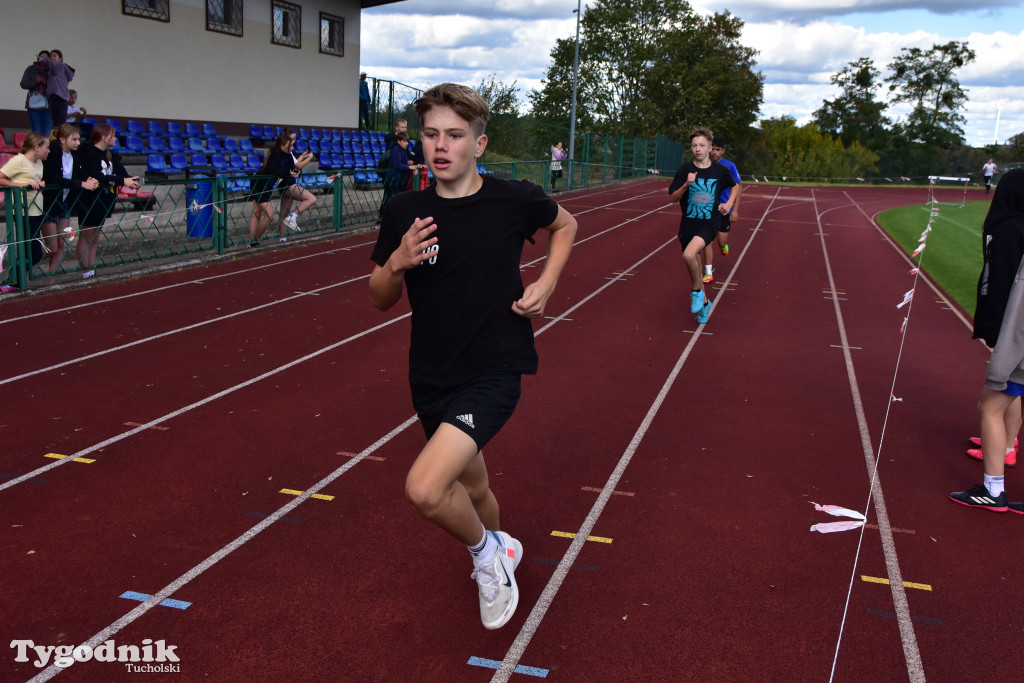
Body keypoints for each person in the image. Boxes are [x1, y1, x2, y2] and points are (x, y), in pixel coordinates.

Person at [369, 83, 577, 630]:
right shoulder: (404, 210)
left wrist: (548, 283)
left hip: (496, 367)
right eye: (431, 134)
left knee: (426, 488)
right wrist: (398, 260)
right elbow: (378, 297)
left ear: (479, 144)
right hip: (432, 375)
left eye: (454, 135)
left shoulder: (514, 199)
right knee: (473, 486)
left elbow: (566, 224)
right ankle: (503, 548)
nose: (441, 146)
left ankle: (487, 557)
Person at [950, 168, 1024, 514]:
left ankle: (993, 490)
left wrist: (993, 331)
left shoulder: (1009, 228)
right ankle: (1006, 448)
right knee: (1012, 393)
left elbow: (1002, 284)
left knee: (990, 405)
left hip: (1017, 331)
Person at [668, 127, 737, 324]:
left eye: (702, 145)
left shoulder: (720, 171)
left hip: (710, 222)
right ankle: (705, 304)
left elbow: (735, 186)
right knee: (695, 269)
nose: (698, 149)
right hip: (688, 223)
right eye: (694, 146)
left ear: (710, 148)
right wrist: (686, 185)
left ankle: (696, 292)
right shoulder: (685, 170)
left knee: (688, 255)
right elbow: (673, 198)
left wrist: (730, 203)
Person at [75, 124, 139, 279]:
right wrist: (123, 181)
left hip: (105, 199)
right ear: (104, 137)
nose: (116, 138)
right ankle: (85, 270)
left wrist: (130, 179)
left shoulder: (109, 154)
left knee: (95, 236)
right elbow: (98, 176)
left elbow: (120, 171)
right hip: (90, 199)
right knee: (86, 235)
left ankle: (91, 268)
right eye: (113, 135)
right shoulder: (89, 152)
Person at [41, 123, 98, 282]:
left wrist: (89, 179)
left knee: (60, 244)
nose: (78, 143)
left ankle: (50, 280)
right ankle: (27, 260)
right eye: (74, 139)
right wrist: (81, 184)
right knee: (51, 246)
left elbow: (79, 172)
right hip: (49, 202)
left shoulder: (75, 155)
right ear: (62, 139)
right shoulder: (53, 152)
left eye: (79, 139)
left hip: (64, 203)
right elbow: (53, 178)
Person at [248, 129, 314, 244]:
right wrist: (288, 173)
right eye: (291, 145)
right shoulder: (276, 153)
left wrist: (294, 170)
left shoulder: (288, 154)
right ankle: (254, 240)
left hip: (268, 185)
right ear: (283, 146)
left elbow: (292, 167)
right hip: (260, 183)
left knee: (258, 213)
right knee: (268, 215)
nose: (293, 148)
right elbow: (274, 170)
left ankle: (252, 241)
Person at [0, 132, 50, 268]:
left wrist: (41, 184)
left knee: (32, 250)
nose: (49, 151)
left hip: (37, 209)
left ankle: (18, 279)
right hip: (23, 209)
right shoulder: (18, 161)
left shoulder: (39, 162)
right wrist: (20, 185)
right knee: (33, 251)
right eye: (47, 147)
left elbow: (34, 180)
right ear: (37, 147)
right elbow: (1, 178)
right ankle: (16, 278)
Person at [701, 137, 743, 283]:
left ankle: (723, 245)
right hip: (708, 209)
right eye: (712, 148)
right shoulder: (703, 164)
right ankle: (708, 272)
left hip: (724, 210)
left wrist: (735, 209)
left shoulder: (729, 166)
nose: (714, 152)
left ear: (723, 151)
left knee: (720, 241)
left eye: (717, 149)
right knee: (707, 241)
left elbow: (738, 186)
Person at [379, 131, 412, 216]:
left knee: (393, 198)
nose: (406, 143)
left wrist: (412, 165)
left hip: (398, 178)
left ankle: (388, 215)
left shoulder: (402, 150)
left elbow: (403, 163)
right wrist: (409, 167)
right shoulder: (396, 150)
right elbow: (397, 165)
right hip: (392, 178)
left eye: (407, 141)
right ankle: (386, 215)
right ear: (399, 141)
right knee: (391, 198)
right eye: (404, 141)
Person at [40, 50, 75, 128]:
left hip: (60, 98)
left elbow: (51, 64)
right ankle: (57, 138)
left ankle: (62, 138)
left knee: (61, 123)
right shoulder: (51, 71)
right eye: (51, 56)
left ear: (60, 59)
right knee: (55, 123)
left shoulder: (60, 65)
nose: (52, 57)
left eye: (54, 56)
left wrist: (43, 58)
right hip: (53, 98)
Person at [20, 51, 52, 135]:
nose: (43, 59)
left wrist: (46, 83)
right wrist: (36, 81)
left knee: (47, 132)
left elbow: (57, 86)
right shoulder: (31, 68)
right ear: (38, 58)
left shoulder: (51, 69)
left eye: (46, 57)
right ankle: (36, 147)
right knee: (36, 131)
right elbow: (23, 84)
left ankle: (44, 148)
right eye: (41, 56)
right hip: (33, 104)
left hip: (49, 105)